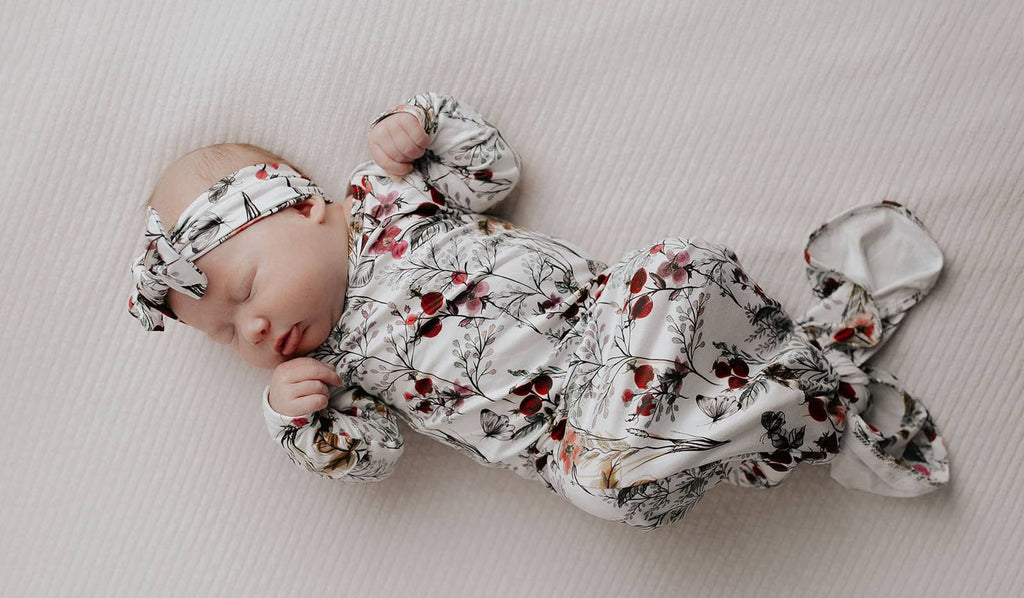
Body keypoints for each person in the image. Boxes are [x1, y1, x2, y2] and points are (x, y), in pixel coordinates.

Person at [128, 92, 950, 530]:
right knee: (601, 490)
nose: (256, 332)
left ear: (303, 205)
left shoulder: (383, 195)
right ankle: (811, 397)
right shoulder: (335, 368)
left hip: (615, 320)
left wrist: (423, 128)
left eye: (242, 295)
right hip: (573, 439)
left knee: (672, 265)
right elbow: (370, 455)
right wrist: (299, 420)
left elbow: (490, 176)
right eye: (230, 336)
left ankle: (800, 395)